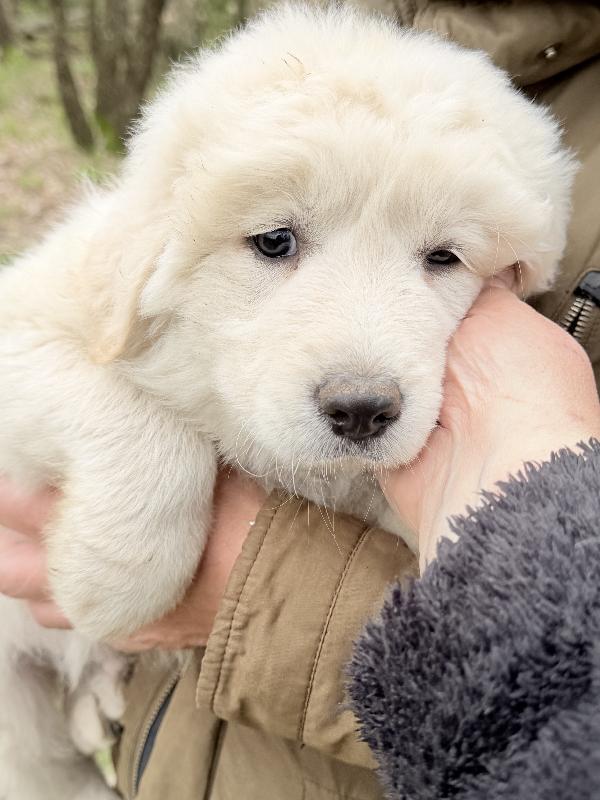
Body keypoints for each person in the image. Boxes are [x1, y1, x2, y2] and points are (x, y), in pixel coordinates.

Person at [1, 2, 600, 798]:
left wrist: (257, 592)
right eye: (276, 242)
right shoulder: (234, 118)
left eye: (442, 255)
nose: (362, 382)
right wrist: (141, 488)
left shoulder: (506, 162)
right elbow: (30, 330)